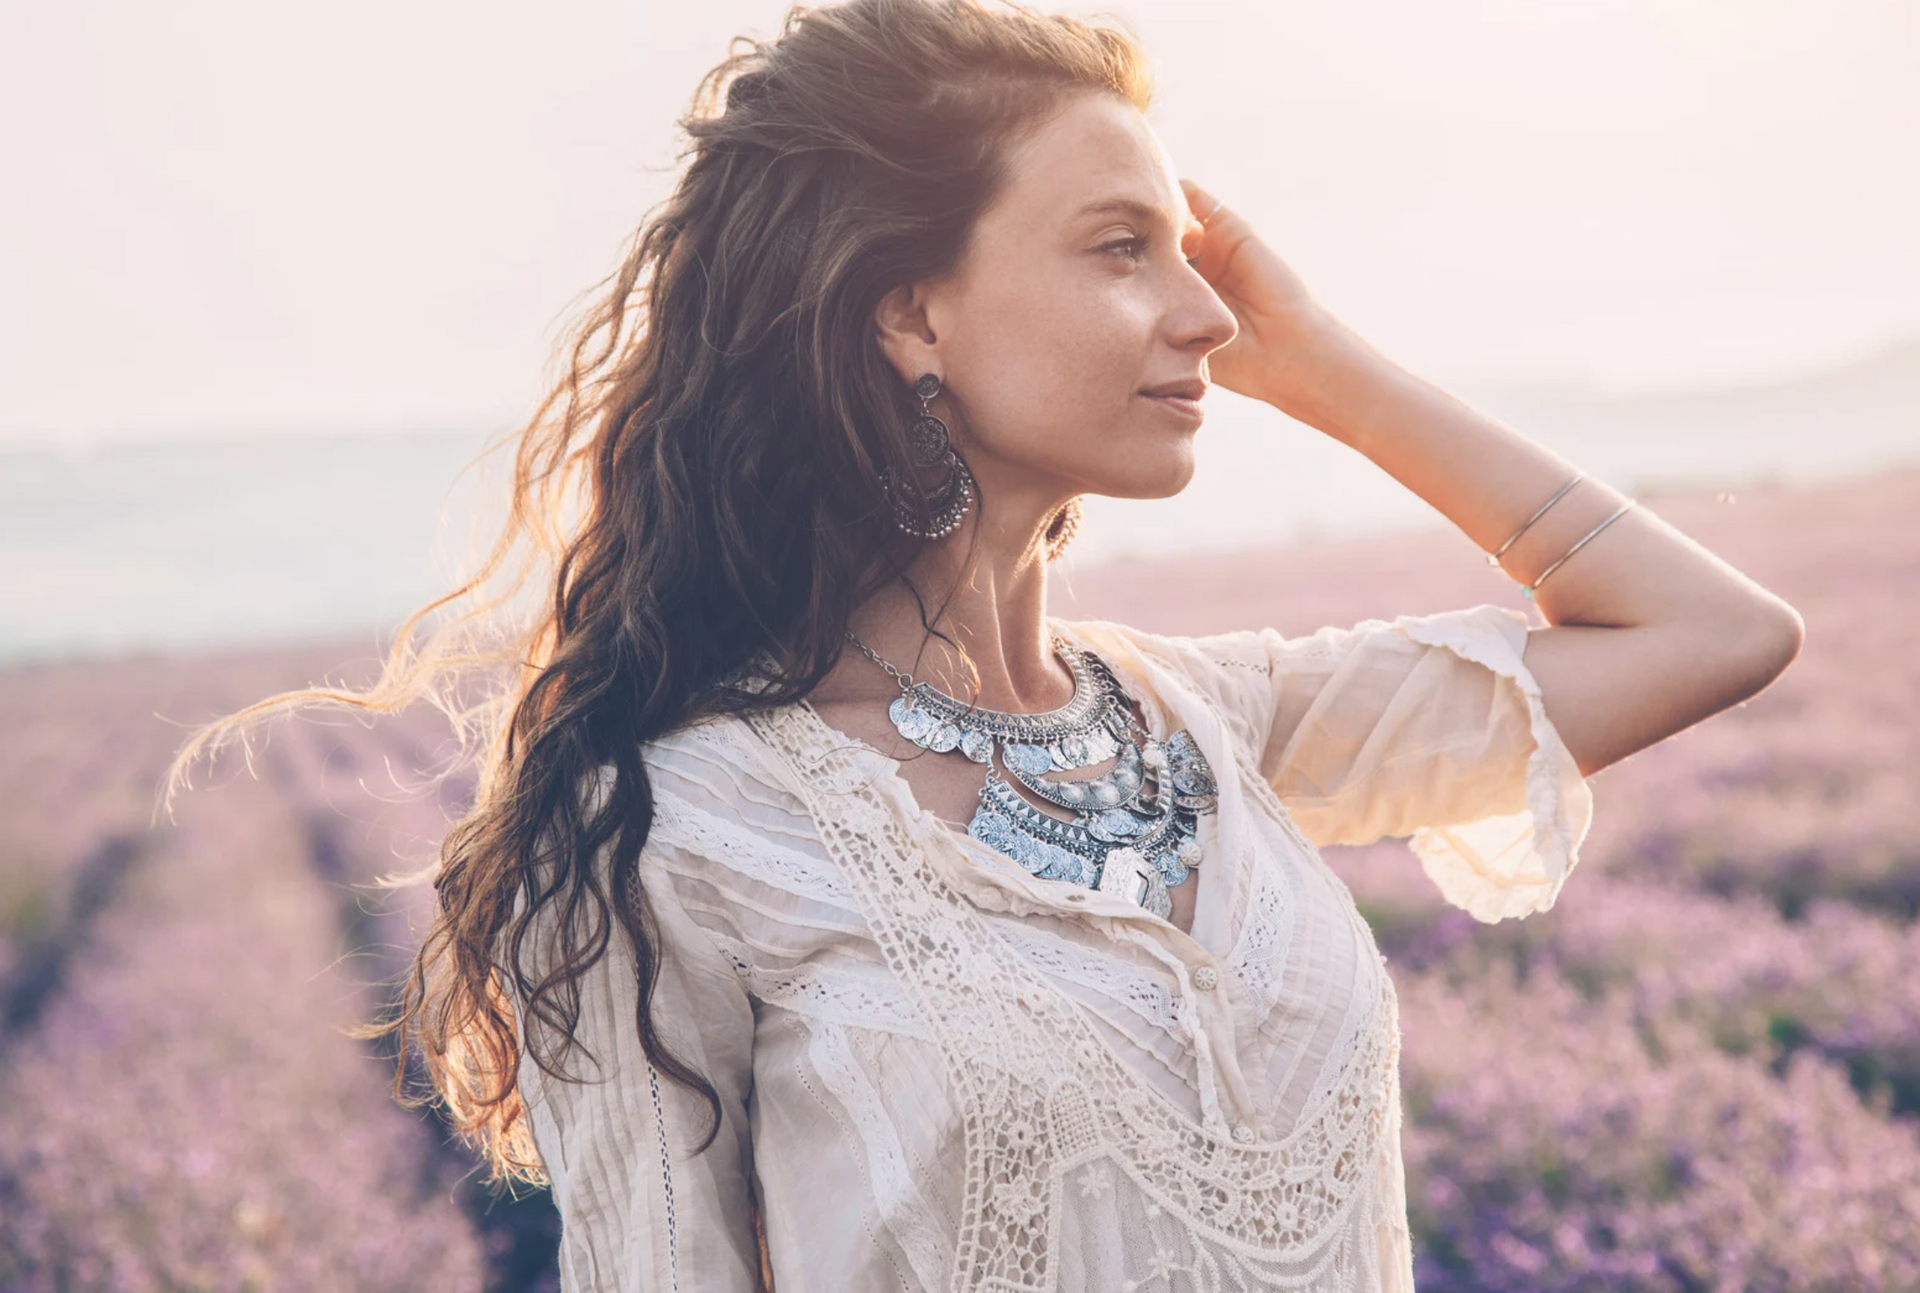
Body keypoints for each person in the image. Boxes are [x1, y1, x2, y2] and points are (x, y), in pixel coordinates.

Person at [164, 0, 1804, 1288]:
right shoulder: (674, 830)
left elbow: (1715, 633)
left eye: (1191, 251)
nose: (1208, 311)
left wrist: (1324, 365)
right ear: (910, 312)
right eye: (1117, 247)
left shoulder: (1217, 724)